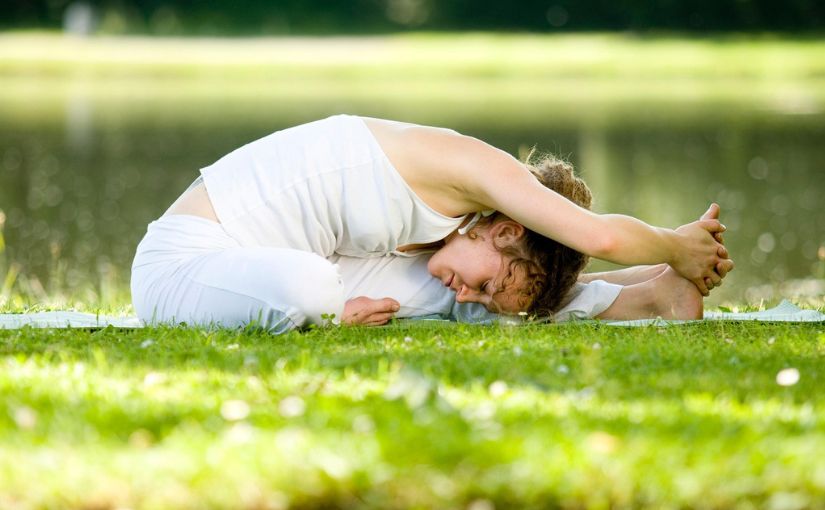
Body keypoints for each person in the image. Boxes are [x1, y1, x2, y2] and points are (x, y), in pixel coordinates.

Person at [131, 114, 733, 331]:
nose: (468, 290)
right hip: (188, 264)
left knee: (458, 302)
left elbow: (515, 278)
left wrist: (666, 270)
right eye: (489, 280)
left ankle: (652, 295)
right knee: (313, 289)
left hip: (263, 264)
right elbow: (597, 235)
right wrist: (678, 244)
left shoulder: (460, 235)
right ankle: (666, 270)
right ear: (506, 229)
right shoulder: (473, 168)